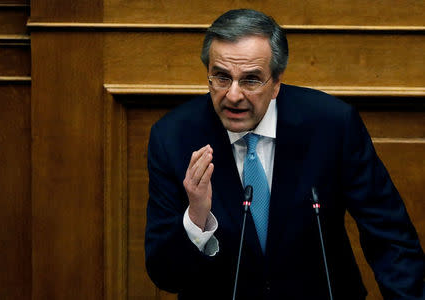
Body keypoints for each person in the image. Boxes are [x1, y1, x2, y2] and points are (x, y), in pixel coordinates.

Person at [145, 9, 424, 300]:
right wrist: (196, 217)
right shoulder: (173, 138)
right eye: (221, 77)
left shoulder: (332, 125)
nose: (233, 95)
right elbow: (165, 274)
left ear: (277, 82)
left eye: (251, 80)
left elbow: (391, 240)